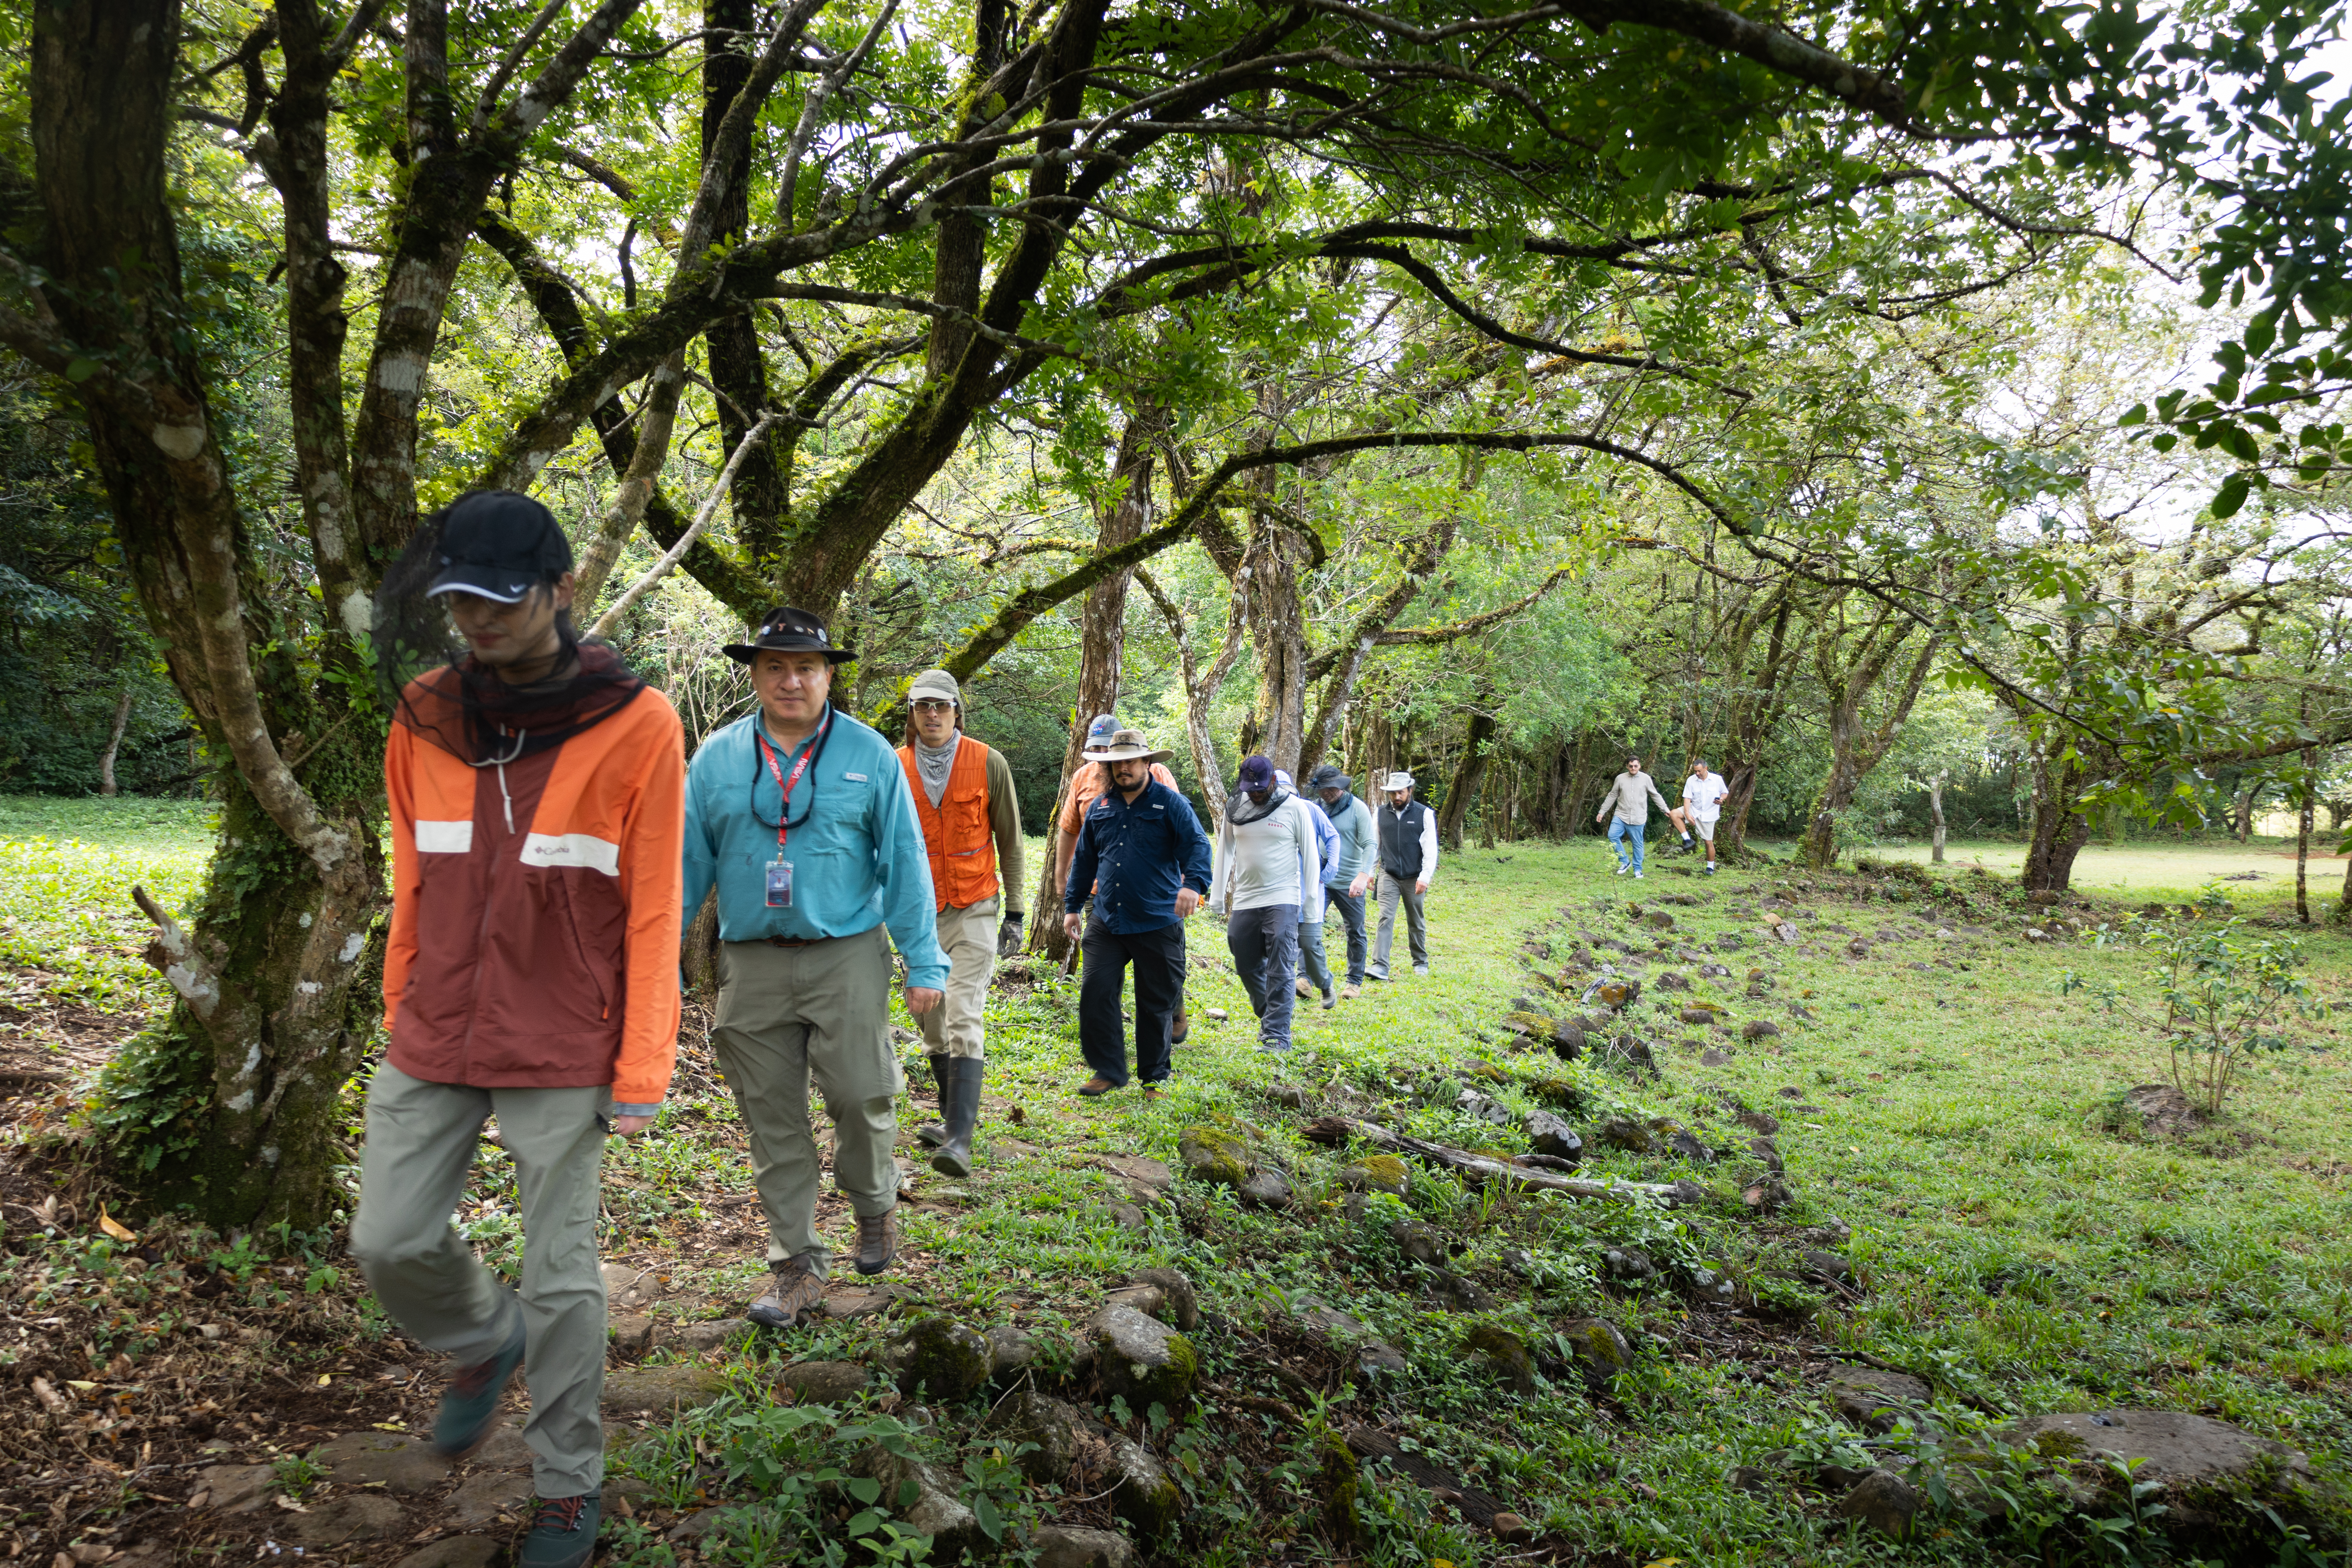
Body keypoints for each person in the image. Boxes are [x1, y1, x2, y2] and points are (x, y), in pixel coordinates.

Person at [356, 491, 686, 1568]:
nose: (477, 621)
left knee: (562, 1273)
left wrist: (644, 1060)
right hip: (437, 1021)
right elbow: (412, 877)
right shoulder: (422, 710)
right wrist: (403, 1000)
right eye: (458, 602)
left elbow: (653, 903)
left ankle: (565, 1483)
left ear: (560, 591)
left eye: (498, 600)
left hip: (566, 1031)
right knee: (389, 1236)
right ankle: (480, 1338)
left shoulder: (640, 722)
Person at [682, 607, 949, 1331]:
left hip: (847, 956)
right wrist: (651, 962)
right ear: (755, 673)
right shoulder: (715, 759)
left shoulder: (866, 755)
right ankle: (794, 1265)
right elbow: (685, 867)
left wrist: (923, 959)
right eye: (775, 666)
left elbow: (904, 863)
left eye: (805, 666)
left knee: (863, 1096)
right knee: (772, 1120)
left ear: (829, 674)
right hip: (750, 960)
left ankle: (873, 1205)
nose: (790, 679)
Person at [895, 669, 1026, 1178]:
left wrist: (1014, 910)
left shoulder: (988, 762)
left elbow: (1013, 840)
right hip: (917, 916)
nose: (932, 714)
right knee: (930, 1016)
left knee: (962, 1011)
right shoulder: (893, 765)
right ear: (912, 711)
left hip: (975, 905)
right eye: (922, 705)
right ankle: (953, 1118)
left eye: (941, 706)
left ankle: (959, 1140)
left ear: (956, 710)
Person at [1063, 728, 1212, 1094]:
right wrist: (1072, 907)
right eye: (1116, 763)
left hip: (1157, 918)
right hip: (1107, 919)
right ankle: (1109, 1070)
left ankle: (1154, 1076)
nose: (1123, 769)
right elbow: (1083, 861)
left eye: (1130, 761)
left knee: (1155, 1001)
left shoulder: (1171, 804)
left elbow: (1197, 845)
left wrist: (1192, 885)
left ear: (1147, 762)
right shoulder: (1099, 808)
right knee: (1095, 992)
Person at [1055, 711, 1185, 1036]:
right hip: (1101, 889)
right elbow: (1070, 830)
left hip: (1154, 891)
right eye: (1095, 750)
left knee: (1159, 967)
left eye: (1106, 749)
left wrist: (1186, 882)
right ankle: (1106, 1037)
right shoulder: (1082, 778)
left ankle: (1172, 1009)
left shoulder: (1157, 773)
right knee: (1101, 969)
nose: (1102, 757)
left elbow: (1180, 826)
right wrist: (1063, 879)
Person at [1211, 756, 1319, 1050]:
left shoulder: (1295, 808)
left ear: (1273, 780)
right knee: (1244, 960)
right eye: (1250, 789)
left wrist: (1310, 907)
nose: (1256, 793)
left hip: (1283, 896)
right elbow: (1225, 850)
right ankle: (1270, 1013)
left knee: (1281, 965)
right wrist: (1217, 898)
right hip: (1246, 897)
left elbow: (1310, 857)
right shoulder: (1236, 808)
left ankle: (1277, 1035)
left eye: (1260, 788)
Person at [1308, 764, 1376, 999]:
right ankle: (1304, 979)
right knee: (1308, 925)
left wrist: (1363, 875)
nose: (1327, 793)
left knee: (1355, 931)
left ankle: (1354, 983)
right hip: (1320, 879)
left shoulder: (1358, 809)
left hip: (1350, 881)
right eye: (1323, 789)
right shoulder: (1315, 808)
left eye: (1331, 789)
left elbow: (1370, 844)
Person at [1279, 768, 1341, 1010]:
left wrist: (1332, 866)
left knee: (1310, 944)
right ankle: (1284, 997)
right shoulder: (1265, 814)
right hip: (1281, 893)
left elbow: (1332, 837)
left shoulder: (1309, 809)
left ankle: (1325, 985)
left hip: (1310, 891)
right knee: (1280, 945)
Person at [1368, 770, 1438, 980]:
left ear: (1410, 790)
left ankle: (1420, 962)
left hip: (1414, 876)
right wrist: (1370, 872)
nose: (1397, 797)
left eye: (1401, 793)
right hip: (1388, 874)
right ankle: (1380, 965)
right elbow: (1374, 846)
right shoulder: (1380, 813)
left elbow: (1430, 849)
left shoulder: (1423, 814)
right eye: (1393, 794)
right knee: (1385, 918)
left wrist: (1425, 877)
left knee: (1415, 919)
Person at [1596, 756, 1674, 879]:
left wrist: (1665, 809)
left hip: (1638, 816)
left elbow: (1655, 795)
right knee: (1612, 835)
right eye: (1631, 766)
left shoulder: (1646, 779)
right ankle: (1625, 861)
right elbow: (1612, 796)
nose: (1633, 768)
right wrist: (1602, 811)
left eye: (1636, 766)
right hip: (1621, 815)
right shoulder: (1620, 778)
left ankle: (1638, 869)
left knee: (1637, 844)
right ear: (1627, 766)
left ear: (1640, 766)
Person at [1677, 757, 1731, 874]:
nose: (1697, 774)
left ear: (1706, 768)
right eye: (1695, 771)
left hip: (1709, 814)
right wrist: (1687, 813)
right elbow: (1687, 798)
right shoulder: (1691, 780)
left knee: (1708, 842)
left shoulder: (1717, 779)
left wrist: (1721, 799)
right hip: (1694, 809)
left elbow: (1725, 792)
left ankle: (1710, 867)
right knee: (1674, 814)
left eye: (1700, 771)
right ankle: (1688, 840)